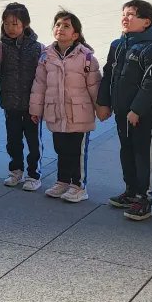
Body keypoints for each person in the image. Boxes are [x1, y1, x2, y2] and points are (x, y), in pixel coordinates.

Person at [96, 0, 152, 221]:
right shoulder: (117, 46)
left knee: (143, 154)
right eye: (124, 14)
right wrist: (103, 103)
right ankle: (130, 190)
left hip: (142, 116)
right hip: (121, 112)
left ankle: (144, 198)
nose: (125, 18)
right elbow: (108, 74)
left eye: (131, 15)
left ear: (146, 22)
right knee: (126, 151)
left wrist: (137, 109)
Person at [30, 11, 103, 202]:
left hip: (80, 113)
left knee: (76, 150)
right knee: (60, 148)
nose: (60, 29)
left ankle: (78, 186)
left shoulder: (86, 57)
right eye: (58, 25)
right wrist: (36, 110)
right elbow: (40, 84)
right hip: (56, 112)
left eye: (66, 26)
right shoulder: (46, 56)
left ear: (76, 34)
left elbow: (95, 86)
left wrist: (101, 108)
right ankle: (62, 181)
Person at [0, 2, 44, 191]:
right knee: (13, 139)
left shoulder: (37, 48)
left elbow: (43, 75)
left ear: (25, 25)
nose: (10, 28)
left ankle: (33, 174)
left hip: (32, 104)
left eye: (15, 24)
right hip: (10, 102)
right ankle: (16, 170)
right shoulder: (0, 47)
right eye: (6, 24)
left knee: (33, 140)